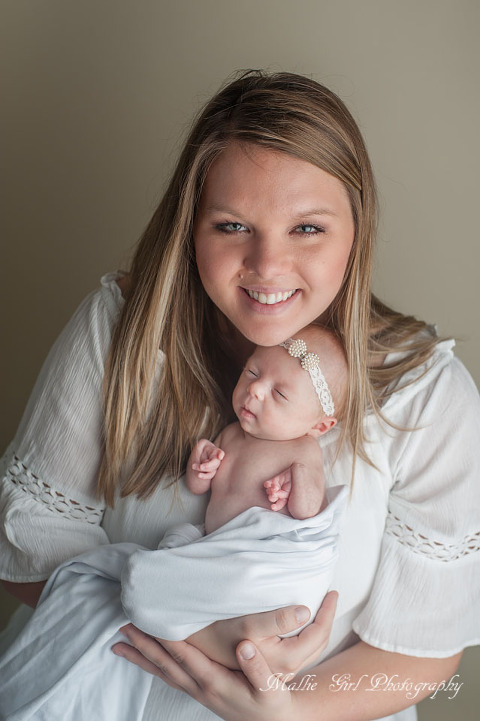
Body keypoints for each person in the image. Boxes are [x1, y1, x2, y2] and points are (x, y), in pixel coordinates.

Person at [1, 70, 479, 721]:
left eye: (307, 228)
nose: (268, 265)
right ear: (190, 226)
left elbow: (422, 652)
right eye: (231, 225)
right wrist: (199, 632)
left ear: (357, 230)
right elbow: (25, 549)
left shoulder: (424, 395)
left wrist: (285, 708)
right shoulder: (121, 331)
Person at [0, 327, 348, 720]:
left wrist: (296, 479)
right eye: (252, 373)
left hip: (261, 557)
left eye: (279, 394)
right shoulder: (232, 433)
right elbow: (201, 486)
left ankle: (152, 598)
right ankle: (160, 600)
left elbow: (305, 511)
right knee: (176, 541)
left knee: (155, 574)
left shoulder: (302, 451)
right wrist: (203, 464)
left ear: (319, 426)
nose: (255, 391)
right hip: (214, 546)